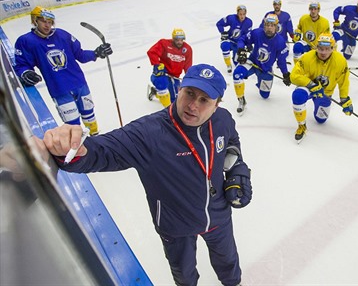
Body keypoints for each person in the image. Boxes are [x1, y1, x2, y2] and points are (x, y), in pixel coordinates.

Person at [41, 63, 252, 286]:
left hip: (218, 215)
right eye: (189, 93)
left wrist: (237, 170)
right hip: (175, 225)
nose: (192, 105)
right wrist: (73, 149)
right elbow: (102, 152)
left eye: (204, 100)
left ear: (217, 105)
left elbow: (231, 144)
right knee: (184, 273)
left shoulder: (223, 120)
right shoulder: (150, 132)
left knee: (228, 261)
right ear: (179, 89)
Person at [13, 6, 113, 136]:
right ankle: (79, 147)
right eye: (43, 21)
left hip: (79, 83)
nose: (47, 25)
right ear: (35, 21)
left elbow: (80, 55)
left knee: (89, 115)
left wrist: (96, 53)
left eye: (49, 22)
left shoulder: (62, 35)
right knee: (72, 124)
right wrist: (25, 72)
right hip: (59, 89)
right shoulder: (27, 41)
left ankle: (96, 137)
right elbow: (22, 64)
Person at [289, 32, 352, 142]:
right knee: (298, 96)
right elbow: (293, 76)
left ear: (333, 48)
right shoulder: (308, 57)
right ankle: (302, 126)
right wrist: (311, 84)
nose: (323, 52)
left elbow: (344, 81)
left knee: (321, 120)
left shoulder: (340, 61)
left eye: (327, 49)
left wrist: (344, 98)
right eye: (321, 48)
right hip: (309, 87)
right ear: (316, 47)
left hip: (325, 93)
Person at [233, 14, 291, 115]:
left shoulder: (280, 42)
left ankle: (260, 82)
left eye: (272, 25)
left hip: (266, 69)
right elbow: (243, 39)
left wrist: (285, 74)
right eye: (267, 25)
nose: (269, 27)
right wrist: (241, 50)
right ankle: (241, 100)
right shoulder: (257, 33)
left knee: (265, 95)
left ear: (276, 27)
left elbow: (281, 61)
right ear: (264, 25)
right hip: (252, 63)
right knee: (237, 75)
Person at [147, 28, 193, 107]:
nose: (179, 42)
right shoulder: (164, 43)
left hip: (175, 76)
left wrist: (189, 77)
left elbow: (188, 65)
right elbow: (152, 52)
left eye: (181, 40)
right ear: (173, 39)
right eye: (177, 40)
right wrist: (157, 64)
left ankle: (155, 92)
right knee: (162, 84)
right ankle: (168, 110)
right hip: (162, 73)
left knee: (175, 99)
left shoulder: (187, 49)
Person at [216, 5, 253, 74]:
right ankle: (228, 65)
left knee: (237, 61)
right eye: (240, 14)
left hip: (239, 43)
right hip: (229, 40)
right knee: (225, 45)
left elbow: (247, 36)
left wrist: (249, 45)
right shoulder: (231, 18)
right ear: (237, 13)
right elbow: (219, 24)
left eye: (244, 14)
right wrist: (223, 32)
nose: (242, 16)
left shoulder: (249, 22)